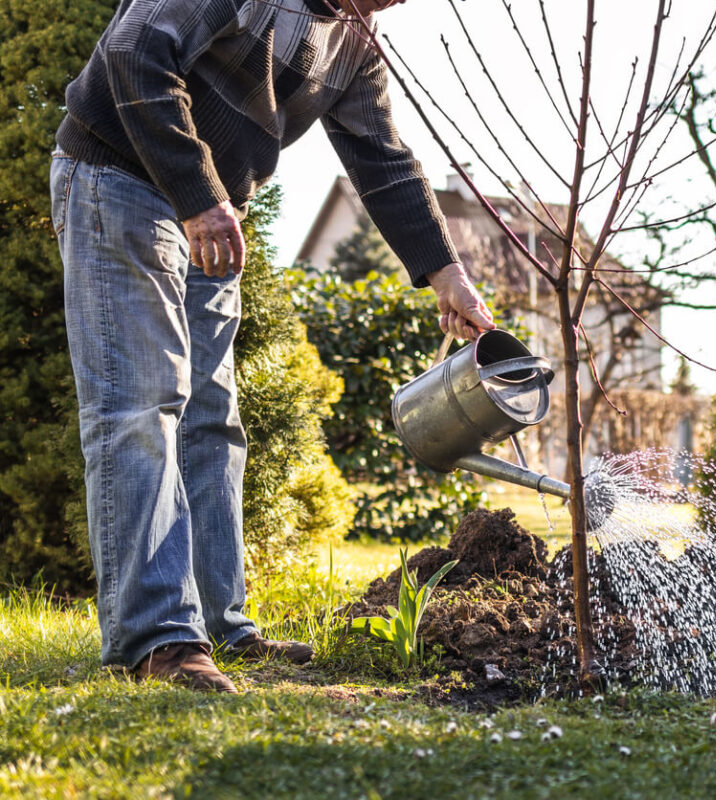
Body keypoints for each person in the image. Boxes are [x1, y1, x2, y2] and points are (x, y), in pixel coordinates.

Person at [49, 0, 495, 693]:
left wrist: (450, 276)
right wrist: (199, 197)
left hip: (211, 211)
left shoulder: (353, 39)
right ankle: (158, 638)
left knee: (210, 420)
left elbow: (384, 159)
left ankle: (222, 628)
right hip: (121, 178)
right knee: (142, 406)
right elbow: (133, 51)